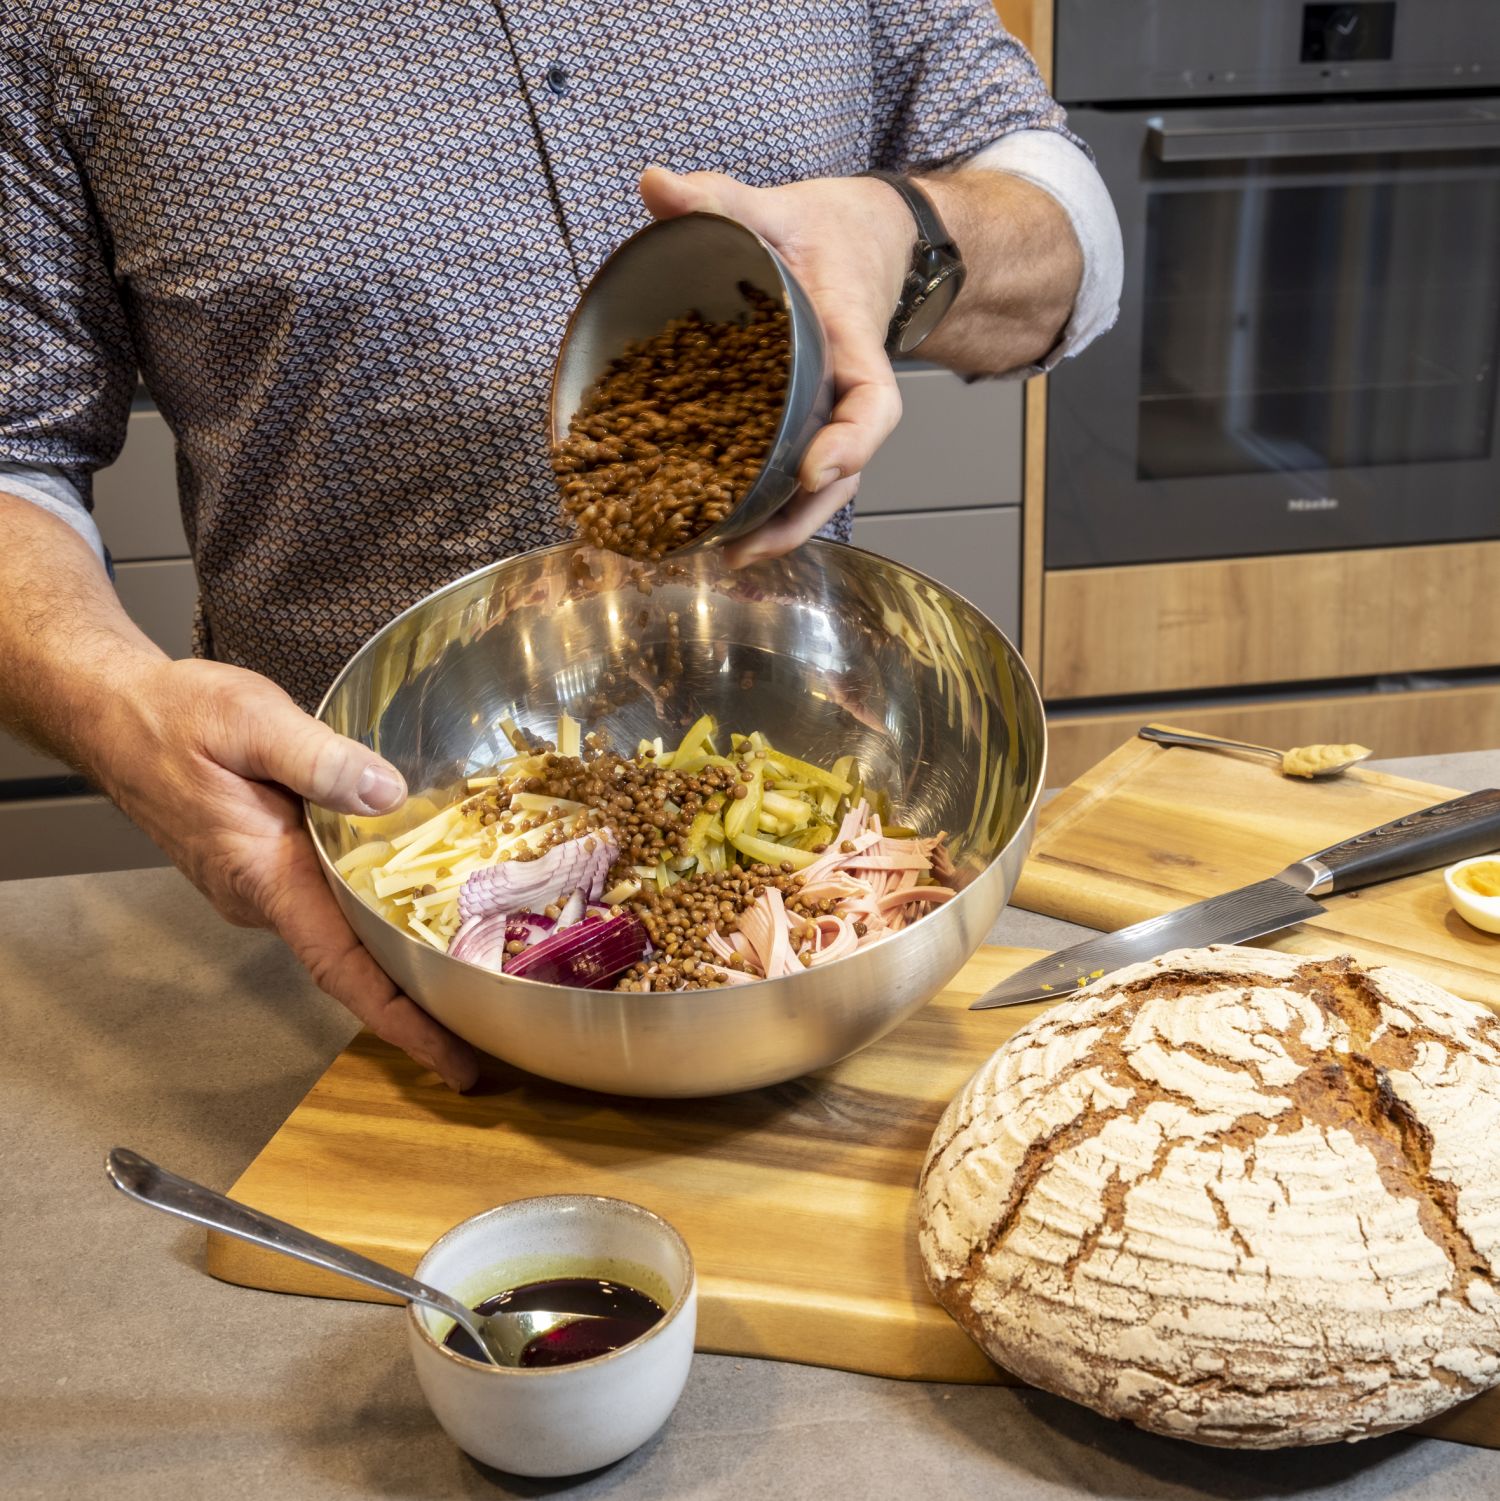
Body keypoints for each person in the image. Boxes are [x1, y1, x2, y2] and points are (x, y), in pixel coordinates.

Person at [0, 2, 1121, 1088]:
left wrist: (904, 234)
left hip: (828, 879)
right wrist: (108, 698)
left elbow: (1072, 234)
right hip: (367, 907)